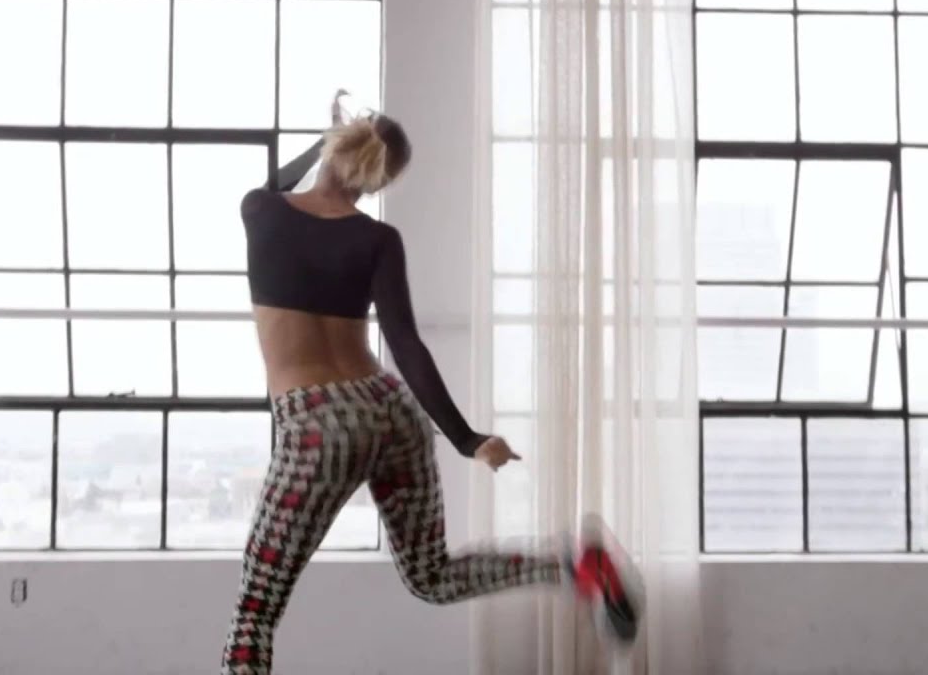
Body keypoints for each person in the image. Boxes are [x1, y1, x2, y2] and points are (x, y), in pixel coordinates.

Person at [221, 91, 642, 674]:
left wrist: (326, 139)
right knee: (432, 575)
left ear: (336, 145)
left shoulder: (261, 212)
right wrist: (468, 439)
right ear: (377, 182)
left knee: (256, 611)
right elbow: (406, 345)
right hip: (390, 409)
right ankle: (573, 563)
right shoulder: (377, 239)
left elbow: (274, 186)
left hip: (318, 423)